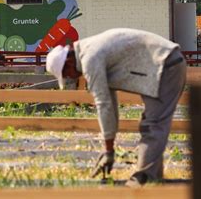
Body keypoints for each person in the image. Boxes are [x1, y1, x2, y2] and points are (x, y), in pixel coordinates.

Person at [45, 28, 186, 187]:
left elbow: (103, 104)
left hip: (166, 65)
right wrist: (109, 149)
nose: (70, 78)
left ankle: (144, 180)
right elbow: (110, 105)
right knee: (151, 123)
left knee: (153, 125)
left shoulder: (90, 58)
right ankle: (153, 179)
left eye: (66, 74)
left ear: (69, 62)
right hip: (162, 64)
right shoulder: (89, 51)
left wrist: (108, 150)